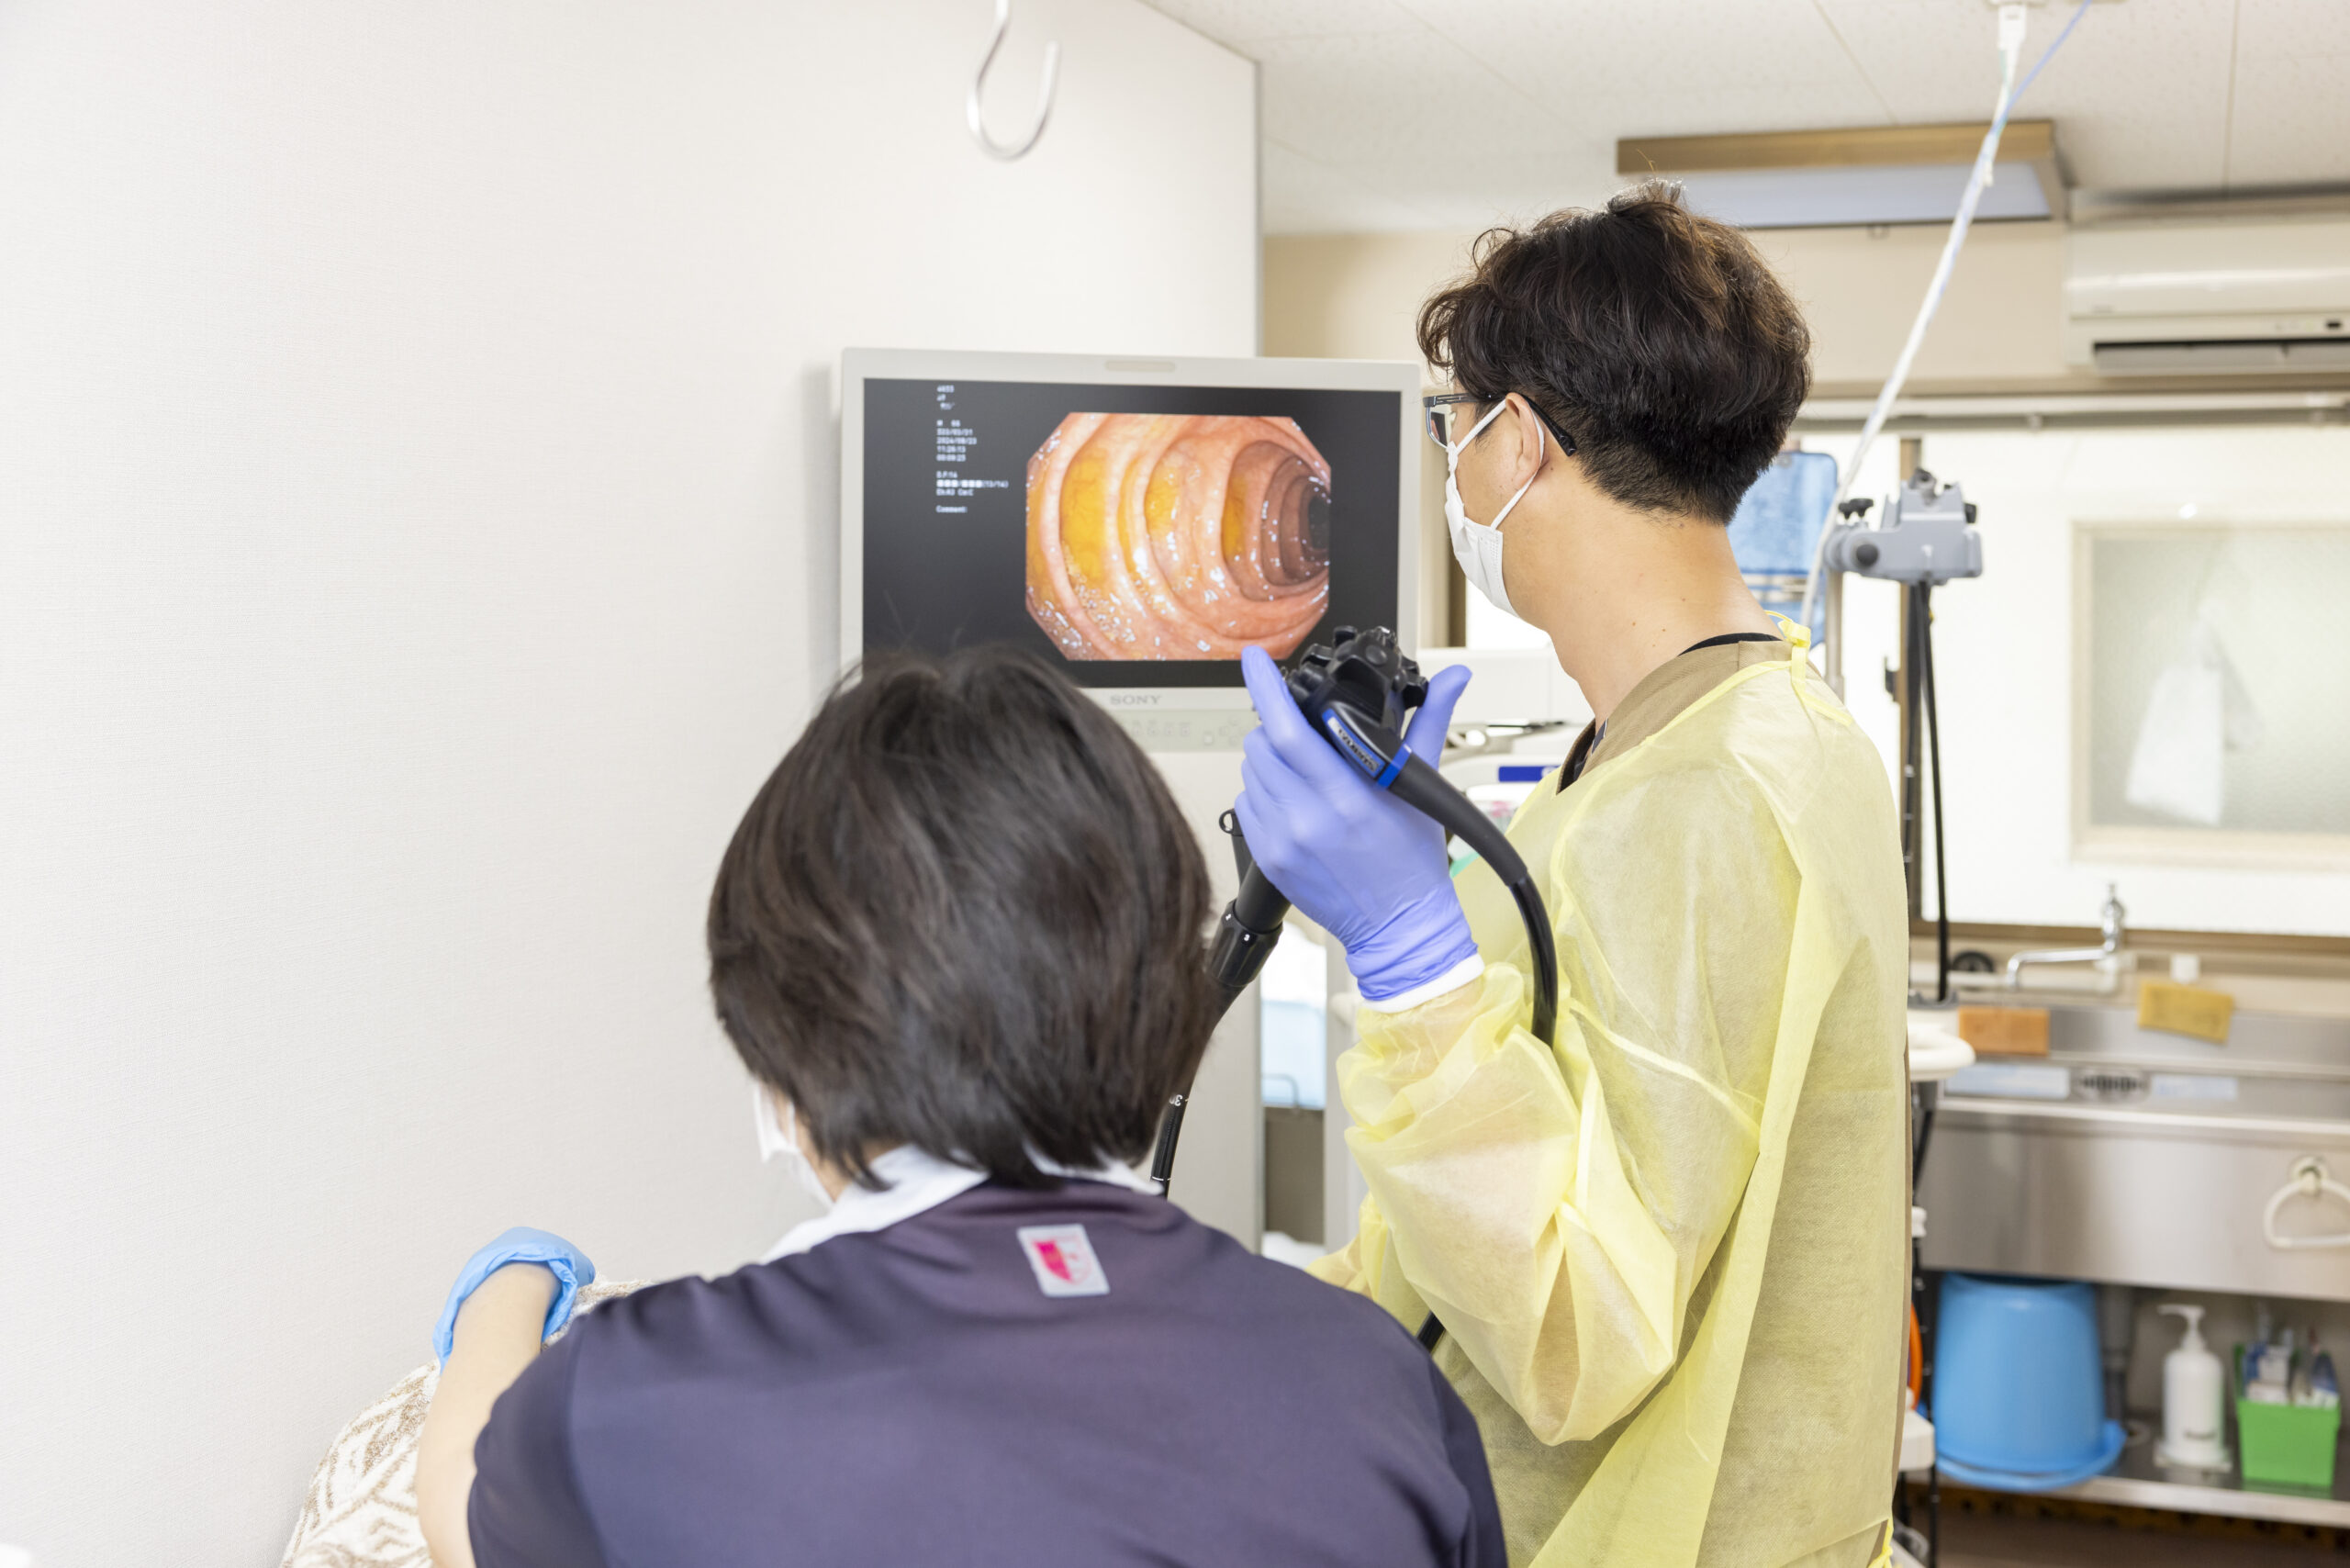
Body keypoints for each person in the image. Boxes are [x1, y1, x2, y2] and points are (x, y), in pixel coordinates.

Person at [412, 645, 1506, 1568]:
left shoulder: (639, 1403)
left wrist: (509, 1288)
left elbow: (465, 1505)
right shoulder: (1379, 1388)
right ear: (1170, 996)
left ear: (778, 1035)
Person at [1233, 184, 1910, 1568]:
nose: (1456, 470)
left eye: (1456, 431)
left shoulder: (1713, 796)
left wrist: (1413, 957)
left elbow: (1576, 1328)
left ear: (1520, 439)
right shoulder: (1692, 742)